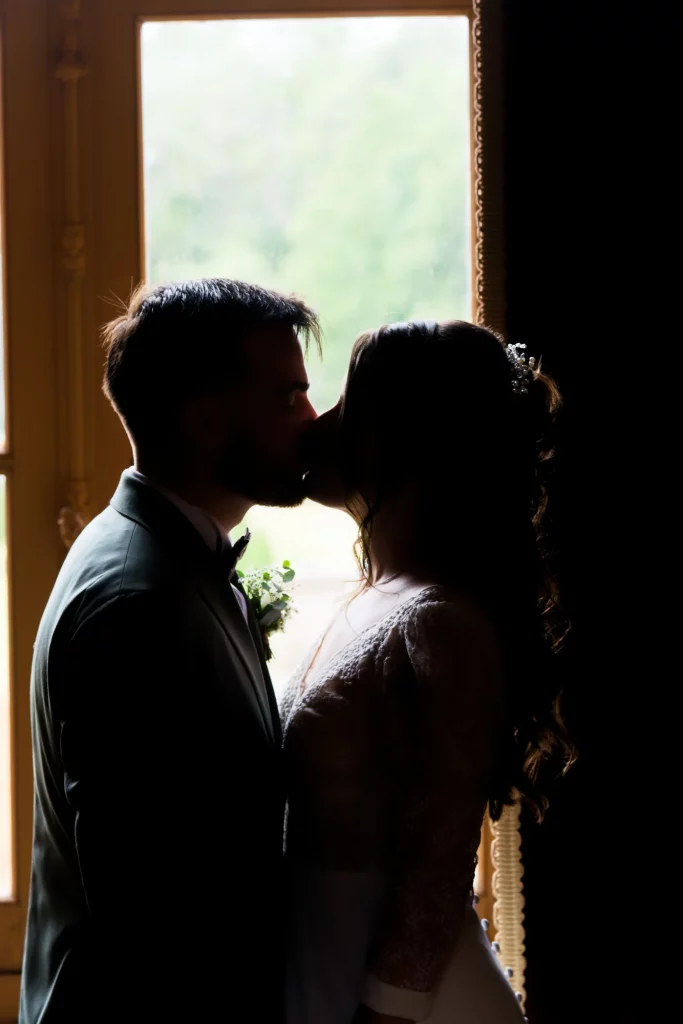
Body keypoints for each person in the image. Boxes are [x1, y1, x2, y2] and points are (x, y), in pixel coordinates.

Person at [19, 279, 319, 1024]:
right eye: (287, 399)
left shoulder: (162, 558)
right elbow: (149, 921)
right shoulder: (139, 604)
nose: (312, 422)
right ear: (207, 419)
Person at [281, 319, 575, 1024]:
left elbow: (435, 871)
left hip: (409, 1008)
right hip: (328, 974)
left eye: (351, 406)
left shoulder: (443, 623)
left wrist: (380, 1019)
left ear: (407, 438)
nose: (321, 424)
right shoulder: (376, 596)